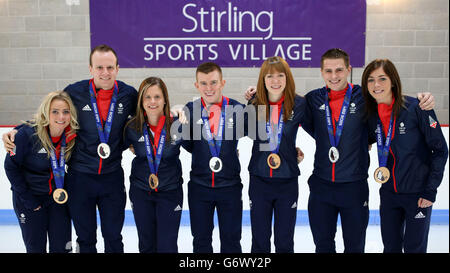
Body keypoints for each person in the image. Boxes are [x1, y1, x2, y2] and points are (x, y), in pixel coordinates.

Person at [244, 49, 435, 253]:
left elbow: (389, 104)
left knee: (354, 247)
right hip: (321, 188)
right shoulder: (311, 100)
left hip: (354, 187)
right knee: (323, 246)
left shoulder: (365, 98)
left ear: (348, 70)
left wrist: (423, 100)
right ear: (321, 72)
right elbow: (276, 121)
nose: (334, 76)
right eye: (328, 71)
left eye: (339, 70)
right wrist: (253, 98)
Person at [2, 44, 138, 253]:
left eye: (110, 67)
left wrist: (176, 112)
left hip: (111, 177)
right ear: (90, 69)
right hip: (80, 178)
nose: (105, 72)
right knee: (85, 238)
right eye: (99, 67)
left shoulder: (128, 94)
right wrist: (18, 130)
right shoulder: (75, 91)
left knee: (113, 237)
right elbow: (49, 112)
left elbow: (150, 112)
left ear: (118, 69)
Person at [361, 59, 448, 253]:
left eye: (382, 79)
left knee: (414, 248)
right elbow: (370, 138)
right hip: (389, 194)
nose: (376, 85)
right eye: (371, 80)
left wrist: (430, 190)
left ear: (393, 81)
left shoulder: (418, 108)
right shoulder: (371, 114)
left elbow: (441, 150)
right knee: (390, 247)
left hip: (418, 195)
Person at [181, 62, 247, 253]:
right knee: (201, 242)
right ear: (196, 85)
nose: (208, 88)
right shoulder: (189, 110)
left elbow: (260, 133)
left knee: (232, 241)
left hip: (230, 187)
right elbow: (188, 146)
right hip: (200, 188)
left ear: (222, 82)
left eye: (213, 82)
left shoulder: (237, 108)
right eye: (203, 83)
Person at [247, 56, 309, 253]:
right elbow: (236, 133)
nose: (275, 81)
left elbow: (322, 132)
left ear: (287, 77)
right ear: (262, 80)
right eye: (270, 76)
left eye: (280, 75)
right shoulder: (254, 105)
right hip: (259, 180)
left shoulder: (299, 104)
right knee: (260, 240)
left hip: (287, 181)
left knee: (284, 241)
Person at [4, 91, 78, 253]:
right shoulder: (26, 135)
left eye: (66, 112)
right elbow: (10, 167)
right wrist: (29, 201)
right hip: (29, 201)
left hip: (57, 201)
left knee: (62, 248)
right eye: (55, 111)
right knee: (35, 248)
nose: (61, 116)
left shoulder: (72, 136)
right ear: (46, 112)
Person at [123, 77, 184, 253]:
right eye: (147, 97)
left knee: (168, 245)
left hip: (170, 192)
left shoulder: (178, 125)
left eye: (157, 96)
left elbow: (199, 147)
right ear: (141, 101)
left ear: (165, 99)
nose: (152, 101)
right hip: (141, 192)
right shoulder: (131, 127)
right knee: (146, 244)